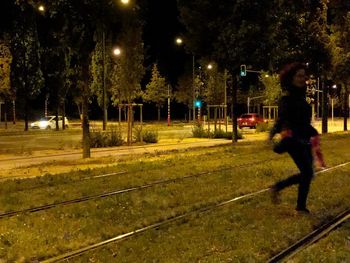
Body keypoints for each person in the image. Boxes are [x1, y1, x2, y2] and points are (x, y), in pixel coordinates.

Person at [268, 62, 325, 214]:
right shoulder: (287, 99)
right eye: (299, 75)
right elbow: (281, 120)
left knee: (308, 174)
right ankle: (299, 207)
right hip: (293, 140)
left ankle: (280, 188)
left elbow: (304, 122)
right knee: (307, 172)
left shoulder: (302, 96)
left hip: (304, 139)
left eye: (303, 75)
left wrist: (313, 133)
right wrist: (272, 133)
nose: (302, 78)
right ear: (291, 78)